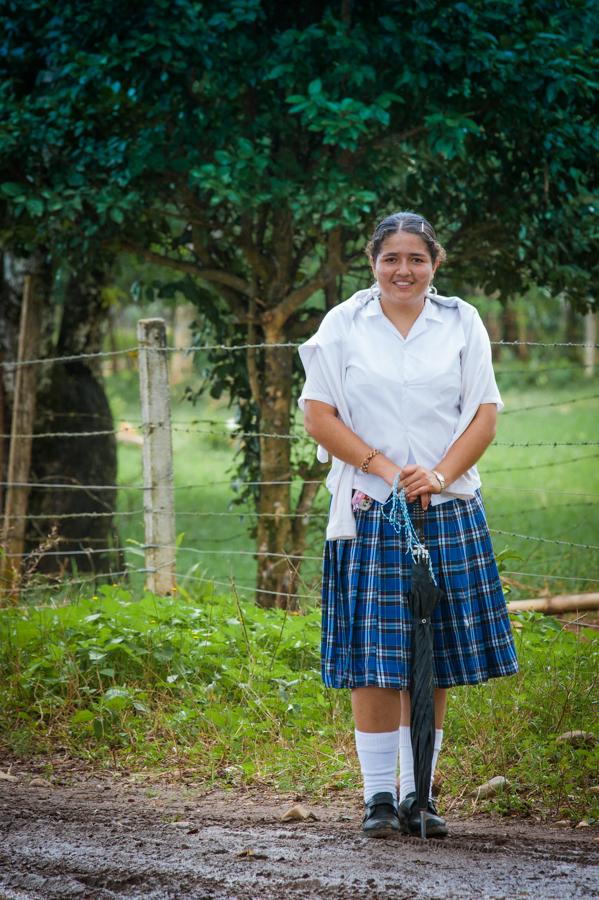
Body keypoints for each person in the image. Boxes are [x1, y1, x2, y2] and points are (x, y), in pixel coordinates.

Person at [298, 211, 518, 838]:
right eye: (391, 258)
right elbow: (318, 415)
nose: (404, 270)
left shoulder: (462, 322)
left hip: (446, 509)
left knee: (431, 654)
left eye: (416, 259)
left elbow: (483, 413)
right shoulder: (343, 324)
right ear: (373, 263)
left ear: (435, 264)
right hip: (373, 508)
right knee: (375, 656)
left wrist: (440, 475)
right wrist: (389, 470)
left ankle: (419, 793)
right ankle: (377, 799)